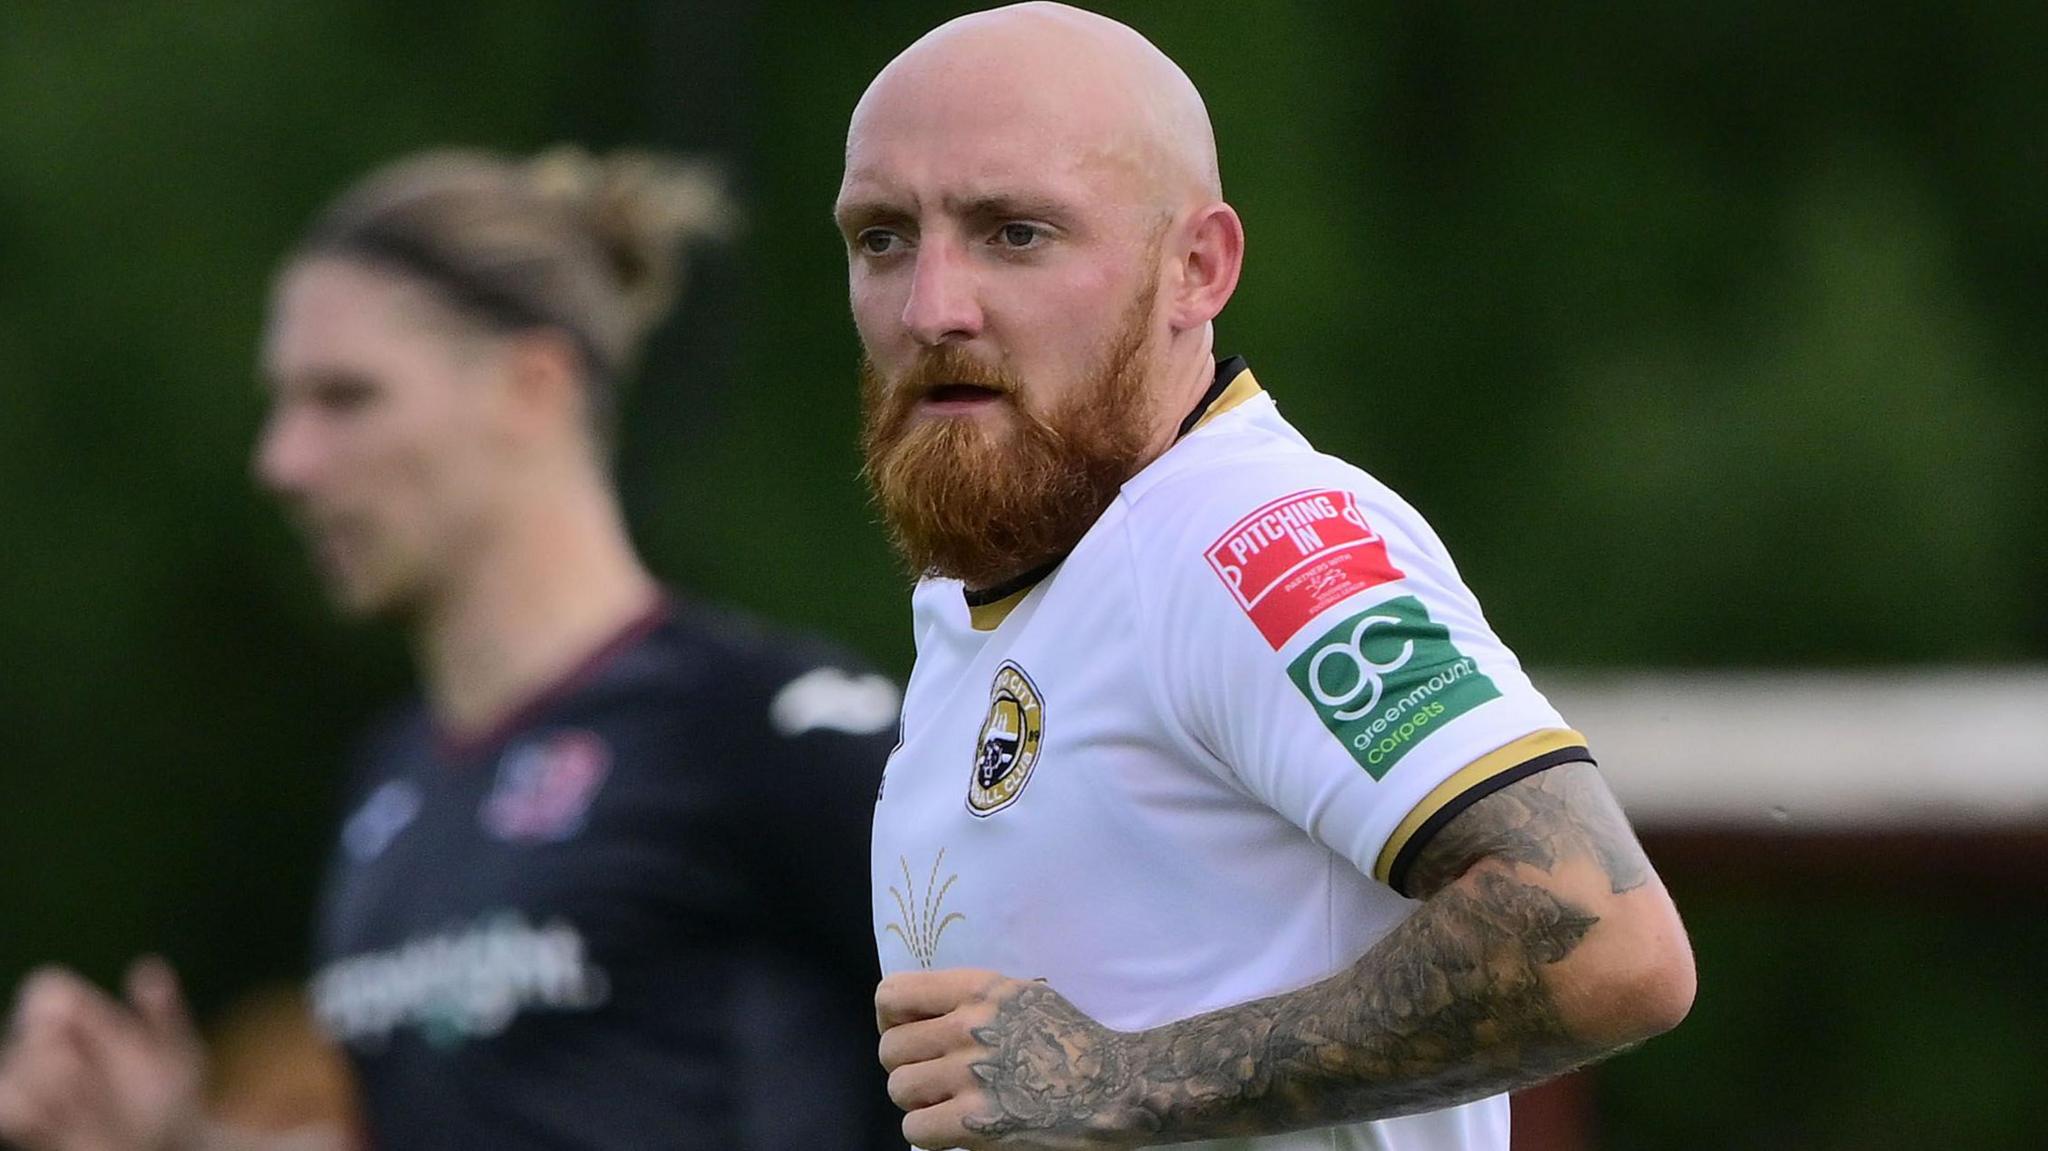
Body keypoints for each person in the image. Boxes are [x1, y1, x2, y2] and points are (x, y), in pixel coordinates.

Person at [840, 5, 1697, 1149]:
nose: (929, 305)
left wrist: (1122, 1078)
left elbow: (1601, 935)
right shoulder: (987, 587)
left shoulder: (1251, 537)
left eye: (1016, 232)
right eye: (882, 237)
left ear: (1196, 267)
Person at [0, 146, 905, 1150]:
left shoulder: (762, 729)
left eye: (344, 397)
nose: (282, 461)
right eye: (283, 403)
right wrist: (183, 1139)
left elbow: (1044, 1056)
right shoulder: (392, 787)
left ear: (533, 386)